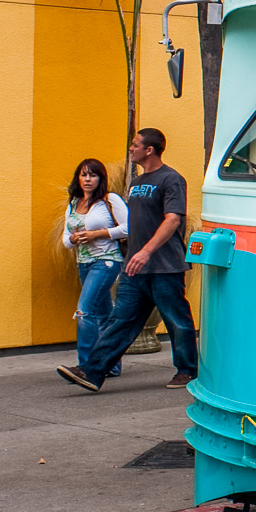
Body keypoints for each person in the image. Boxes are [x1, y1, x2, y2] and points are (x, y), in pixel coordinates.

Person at [57, 128, 195, 391]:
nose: (131, 149)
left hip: (164, 266)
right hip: (134, 267)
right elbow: (135, 224)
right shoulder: (136, 183)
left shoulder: (171, 179)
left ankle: (187, 370)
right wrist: (133, 254)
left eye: (135, 145)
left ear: (149, 150)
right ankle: (92, 372)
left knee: (177, 320)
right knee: (120, 321)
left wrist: (146, 251)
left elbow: (173, 219)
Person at [62, 158, 128, 379]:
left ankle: (87, 367)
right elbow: (65, 240)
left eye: (93, 175)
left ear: (100, 178)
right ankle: (112, 365)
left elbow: (129, 227)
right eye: (83, 174)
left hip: (107, 261)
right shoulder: (74, 203)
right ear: (78, 178)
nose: (87, 179)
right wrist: (73, 237)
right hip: (84, 263)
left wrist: (97, 234)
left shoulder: (109, 200)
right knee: (103, 315)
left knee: (85, 311)